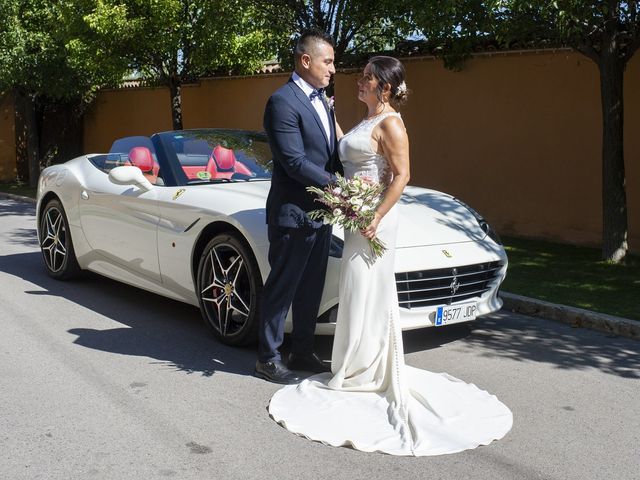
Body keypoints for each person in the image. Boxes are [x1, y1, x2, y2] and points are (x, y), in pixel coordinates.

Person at [268, 56, 513, 456]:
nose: (358, 82)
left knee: (368, 286)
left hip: (375, 218)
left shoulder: (392, 123)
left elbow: (401, 175)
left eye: (366, 78)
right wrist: (331, 120)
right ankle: (351, 364)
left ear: (385, 87)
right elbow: (351, 152)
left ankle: (367, 368)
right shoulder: (366, 121)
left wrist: (376, 216)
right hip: (355, 213)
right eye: (361, 76)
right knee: (355, 287)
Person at [255, 30, 342, 384]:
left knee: (311, 287)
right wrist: (341, 187)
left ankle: (302, 351)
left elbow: (329, 153)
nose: (333, 69)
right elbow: (293, 161)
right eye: (328, 61)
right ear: (306, 61)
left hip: (321, 213)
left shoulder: (322, 99)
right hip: (293, 214)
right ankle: (268, 358)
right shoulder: (282, 102)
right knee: (283, 286)